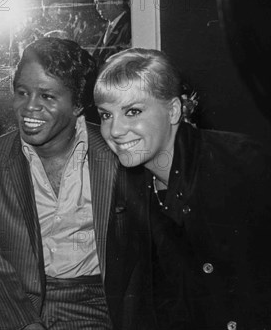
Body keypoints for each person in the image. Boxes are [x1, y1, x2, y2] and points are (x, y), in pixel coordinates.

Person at [0, 38, 154, 330]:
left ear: (77, 104)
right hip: (7, 301)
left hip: (91, 306)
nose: (29, 107)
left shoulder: (117, 154)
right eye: (22, 92)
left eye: (47, 97)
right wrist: (25, 325)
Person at [94, 48, 271, 330]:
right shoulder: (131, 185)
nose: (115, 130)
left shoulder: (243, 164)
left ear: (173, 110)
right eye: (105, 115)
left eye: (133, 111)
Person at [91, 0, 131, 67]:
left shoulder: (130, 27)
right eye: (96, 3)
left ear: (119, 0)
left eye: (102, 1)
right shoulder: (110, 27)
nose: (98, 8)